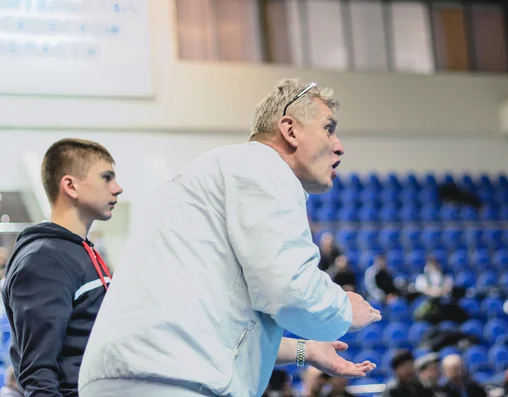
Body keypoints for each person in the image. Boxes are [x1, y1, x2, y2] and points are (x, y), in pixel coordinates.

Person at [78, 78, 382, 397]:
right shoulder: (265, 168)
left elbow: (219, 322)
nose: (339, 145)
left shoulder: (217, 172)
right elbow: (291, 290)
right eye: (328, 129)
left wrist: (306, 351)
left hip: (135, 376)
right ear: (290, 130)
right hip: (173, 380)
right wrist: (344, 309)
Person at [1, 138, 123, 397]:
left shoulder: (81, 252)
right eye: (106, 178)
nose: (117, 188)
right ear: (70, 185)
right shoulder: (46, 260)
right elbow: (39, 375)